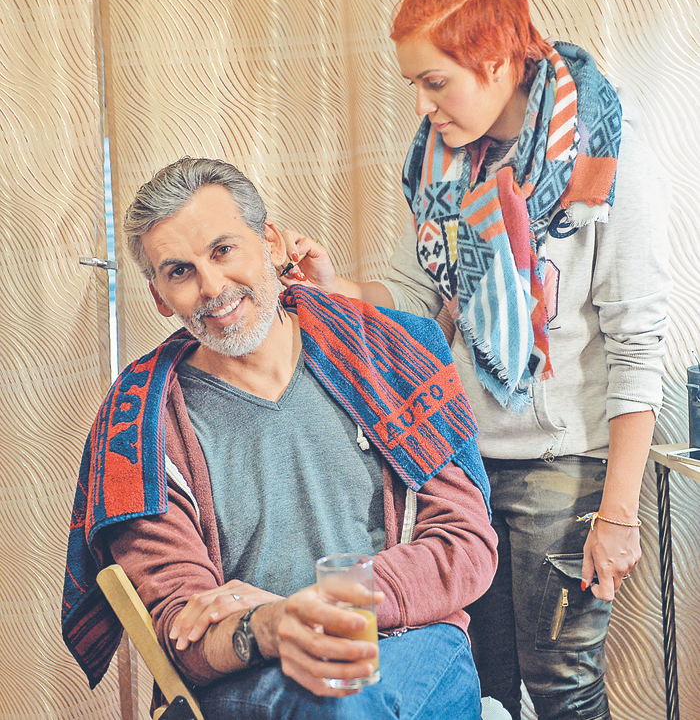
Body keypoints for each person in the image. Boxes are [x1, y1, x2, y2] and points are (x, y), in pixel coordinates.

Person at [278, 0, 670, 720]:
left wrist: (619, 515)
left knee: (562, 688)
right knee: (477, 681)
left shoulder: (602, 154)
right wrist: (330, 284)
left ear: (495, 65)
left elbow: (637, 339)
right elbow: (409, 297)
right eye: (414, 85)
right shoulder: (444, 165)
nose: (422, 107)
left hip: (567, 465)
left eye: (435, 82)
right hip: (462, 461)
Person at [61, 157, 499, 720]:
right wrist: (269, 627)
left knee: (352, 698)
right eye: (180, 272)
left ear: (269, 243)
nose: (213, 288)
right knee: (335, 706)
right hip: (253, 670)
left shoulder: (390, 353)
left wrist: (318, 608)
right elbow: (181, 625)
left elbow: (465, 543)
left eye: (223, 250)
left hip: (406, 639)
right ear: (159, 296)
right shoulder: (139, 425)